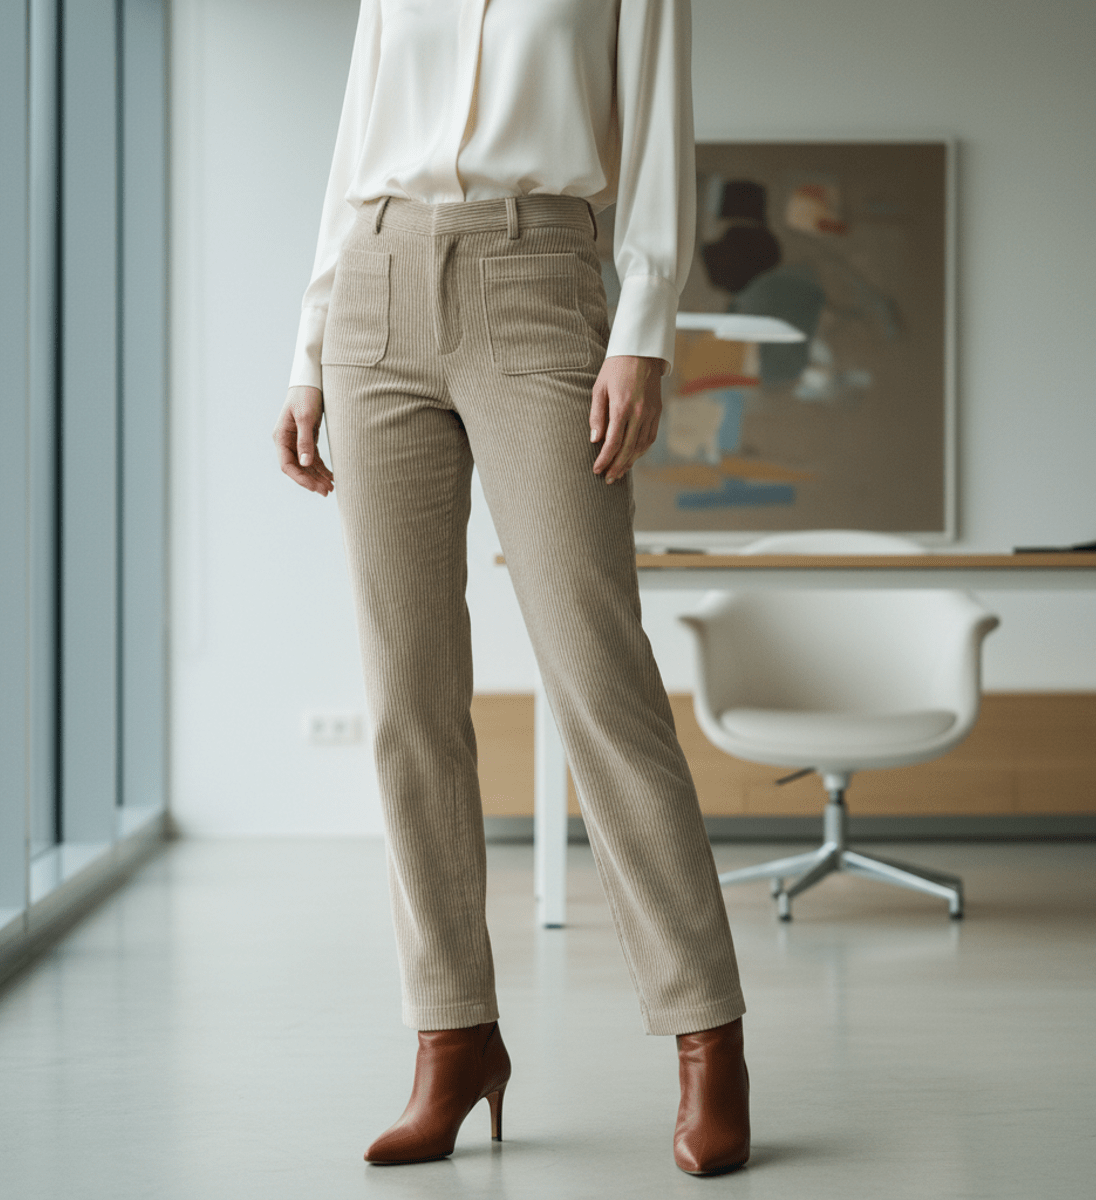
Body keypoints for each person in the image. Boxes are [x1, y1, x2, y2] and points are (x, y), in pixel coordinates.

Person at [272, 0, 750, 1176]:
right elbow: (353, 147)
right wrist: (308, 349)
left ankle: (709, 1037)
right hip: (376, 289)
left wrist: (642, 333)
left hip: (537, 280)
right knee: (407, 698)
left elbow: (656, 142)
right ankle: (451, 1037)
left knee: (599, 678)